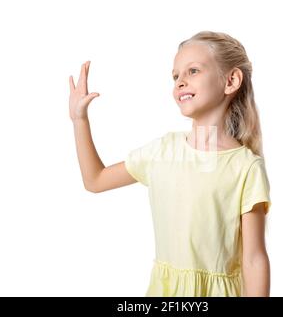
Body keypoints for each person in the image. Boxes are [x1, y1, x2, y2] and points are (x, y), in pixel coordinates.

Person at [68, 30, 272, 297]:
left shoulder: (245, 167)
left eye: (193, 71)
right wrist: (79, 120)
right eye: (176, 76)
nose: (180, 82)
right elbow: (95, 180)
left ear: (231, 80)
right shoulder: (162, 152)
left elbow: (254, 258)